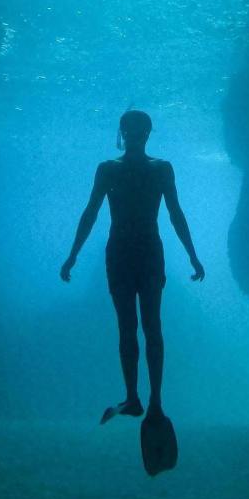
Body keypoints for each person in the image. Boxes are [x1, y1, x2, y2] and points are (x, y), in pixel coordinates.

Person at [60, 109, 205, 424]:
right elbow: (174, 214)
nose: (135, 134)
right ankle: (147, 399)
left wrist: (73, 255)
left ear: (126, 133)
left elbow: (91, 214)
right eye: (134, 130)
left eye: (134, 130)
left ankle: (139, 398)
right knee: (148, 327)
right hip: (143, 253)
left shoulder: (115, 169)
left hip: (128, 254)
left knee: (133, 327)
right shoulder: (153, 169)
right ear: (143, 133)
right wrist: (192, 254)